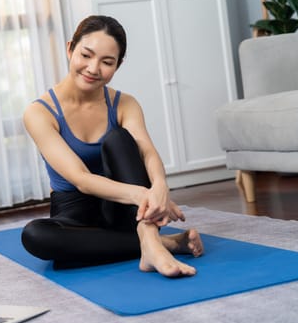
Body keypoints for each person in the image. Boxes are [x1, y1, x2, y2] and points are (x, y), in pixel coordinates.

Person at [22, 15, 204, 277]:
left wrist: (161, 188)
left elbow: (147, 151)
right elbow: (81, 179)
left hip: (128, 213)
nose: (93, 68)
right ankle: (164, 243)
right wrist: (145, 195)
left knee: (118, 138)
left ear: (118, 65)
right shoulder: (39, 112)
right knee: (36, 236)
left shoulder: (124, 104)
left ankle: (147, 238)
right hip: (76, 212)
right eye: (86, 55)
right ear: (70, 48)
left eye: (107, 62)